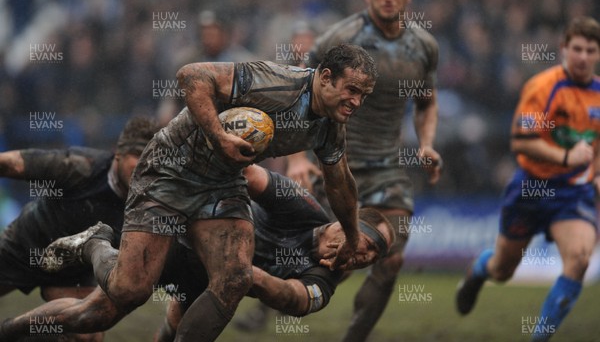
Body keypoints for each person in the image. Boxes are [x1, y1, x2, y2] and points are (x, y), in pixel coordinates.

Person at [1, 43, 378, 342]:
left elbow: (340, 180)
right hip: (170, 170)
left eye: (364, 95)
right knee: (128, 293)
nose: (358, 103)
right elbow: (191, 75)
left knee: (235, 277)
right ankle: (96, 243)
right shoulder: (275, 81)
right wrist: (219, 137)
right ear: (326, 77)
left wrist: (349, 234)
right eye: (352, 90)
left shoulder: (330, 125)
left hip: (221, 184)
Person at [0, 165, 393, 341]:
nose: (364, 259)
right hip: (184, 242)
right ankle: (95, 243)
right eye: (368, 246)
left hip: (212, 285)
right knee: (96, 312)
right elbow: (252, 174)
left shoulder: (326, 277)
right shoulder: (304, 208)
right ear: (349, 225)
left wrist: (247, 276)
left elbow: (296, 301)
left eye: (372, 259)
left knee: (172, 334)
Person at [284, 0, 441, 340]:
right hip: (337, 161)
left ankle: (354, 337)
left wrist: (427, 143)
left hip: (389, 166)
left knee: (392, 257)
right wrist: (297, 158)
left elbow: (426, 102)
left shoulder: (424, 47)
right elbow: (300, 89)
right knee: (318, 253)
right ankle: (267, 298)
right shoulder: (340, 38)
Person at [456, 16, 600, 341]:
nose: (582, 56)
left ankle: (539, 338)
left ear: (597, 54)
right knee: (503, 270)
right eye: (576, 48)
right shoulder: (543, 87)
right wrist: (565, 156)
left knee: (578, 260)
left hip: (571, 193)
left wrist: (595, 174)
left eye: (590, 50)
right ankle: (479, 270)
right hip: (532, 187)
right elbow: (521, 140)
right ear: (564, 49)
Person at [0, 116, 159, 341]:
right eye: (137, 156)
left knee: (89, 334)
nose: (143, 167)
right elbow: (12, 163)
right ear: (118, 152)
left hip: (73, 274)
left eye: (150, 161)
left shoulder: (150, 203)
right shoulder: (83, 167)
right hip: (26, 247)